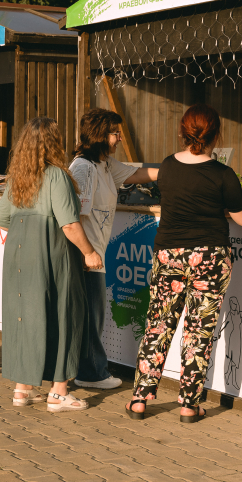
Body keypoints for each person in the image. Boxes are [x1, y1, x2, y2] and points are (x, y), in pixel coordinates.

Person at [126, 104, 242, 423]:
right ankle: (189, 405)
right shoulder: (223, 174)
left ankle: (140, 399)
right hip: (211, 257)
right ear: (217, 134)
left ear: (181, 132)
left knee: (159, 325)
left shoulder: (168, 167)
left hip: (169, 254)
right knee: (198, 331)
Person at [0, 117, 101, 413]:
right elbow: (69, 224)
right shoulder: (57, 176)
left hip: (18, 252)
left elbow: (1, 218)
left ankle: (22, 389)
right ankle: (59, 392)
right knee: (64, 314)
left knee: (25, 317)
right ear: (54, 143)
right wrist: (89, 253)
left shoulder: (18, 177)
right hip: (51, 252)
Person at [69, 108, 159, 390]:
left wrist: (178, 168)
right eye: (114, 132)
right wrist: (87, 252)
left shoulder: (105, 164)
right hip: (86, 254)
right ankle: (91, 373)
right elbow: (72, 216)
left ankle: (90, 370)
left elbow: (138, 174)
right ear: (99, 134)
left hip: (96, 252)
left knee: (94, 313)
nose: (119, 138)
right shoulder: (83, 168)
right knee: (90, 314)